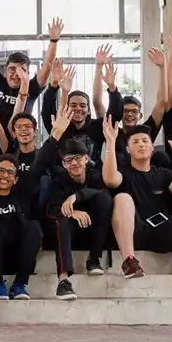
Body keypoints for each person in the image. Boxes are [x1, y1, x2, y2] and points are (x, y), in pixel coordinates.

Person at [102, 118, 172, 298]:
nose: (141, 145)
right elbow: (110, 179)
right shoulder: (122, 171)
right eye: (135, 142)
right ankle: (129, 261)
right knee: (122, 198)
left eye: (145, 141)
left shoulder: (162, 173)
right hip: (133, 232)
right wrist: (110, 142)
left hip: (161, 231)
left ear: (153, 148)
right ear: (128, 149)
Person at [37, 107, 112, 300]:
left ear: (87, 159)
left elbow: (102, 194)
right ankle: (63, 280)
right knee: (60, 220)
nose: (74, 163)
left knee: (104, 200)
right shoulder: (60, 180)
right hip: (70, 233)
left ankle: (94, 260)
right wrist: (72, 212)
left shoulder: (96, 174)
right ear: (63, 164)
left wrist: (76, 197)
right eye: (68, 160)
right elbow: (52, 209)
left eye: (78, 158)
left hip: (96, 232)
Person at [0, 6, 61, 125]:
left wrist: (54, 41)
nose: (16, 74)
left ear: (27, 73)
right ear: (5, 70)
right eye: (12, 69)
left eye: (22, 70)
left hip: (20, 138)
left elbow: (47, 66)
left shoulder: (31, 88)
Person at [0, 154, 43, 300]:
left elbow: (40, 164)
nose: (5, 175)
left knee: (34, 227)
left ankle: (19, 285)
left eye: (10, 173)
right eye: (1, 170)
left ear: (15, 179)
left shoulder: (21, 198)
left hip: (15, 255)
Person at [40, 59, 124, 162]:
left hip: (92, 175)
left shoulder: (98, 127)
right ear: (67, 108)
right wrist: (53, 85)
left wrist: (112, 88)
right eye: (73, 105)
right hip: (63, 175)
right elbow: (47, 112)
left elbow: (115, 115)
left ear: (88, 110)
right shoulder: (59, 127)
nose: (78, 108)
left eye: (83, 105)